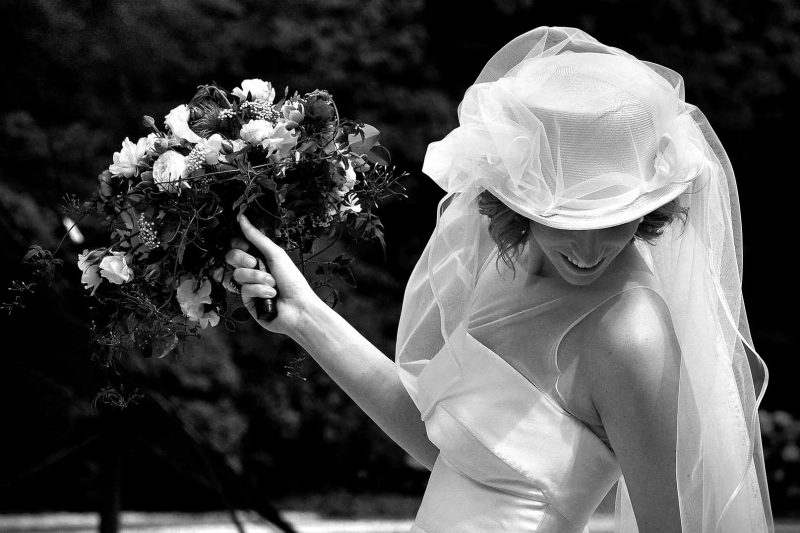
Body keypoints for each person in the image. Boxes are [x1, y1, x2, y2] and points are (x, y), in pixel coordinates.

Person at [226, 27, 773, 532]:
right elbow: (453, 451)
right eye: (564, 219)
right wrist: (304, 316)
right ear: (522, 198)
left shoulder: (630, 333)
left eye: (613, 220)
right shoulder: (505, 265)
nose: (587, 250)